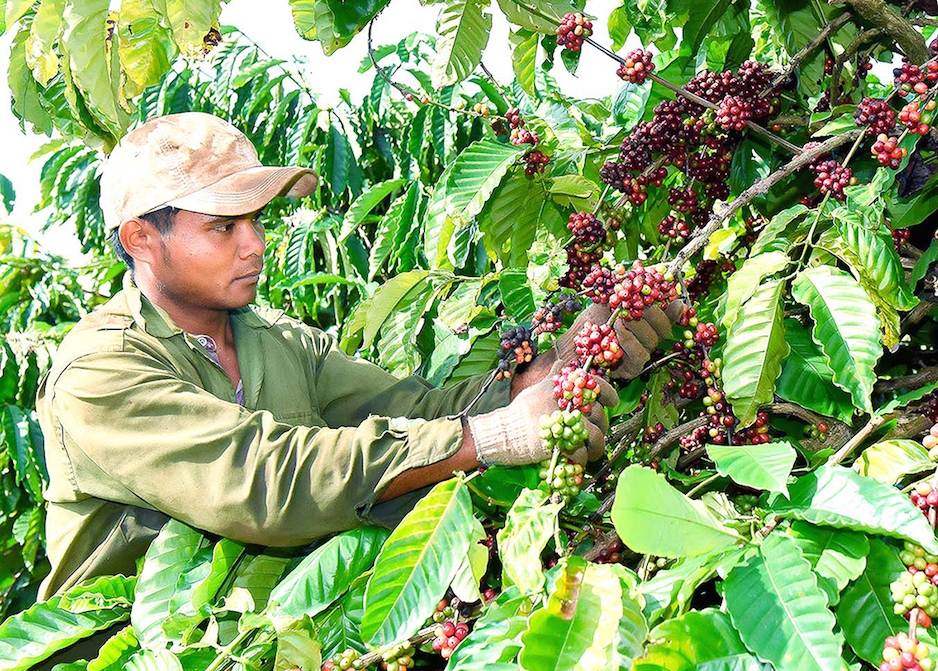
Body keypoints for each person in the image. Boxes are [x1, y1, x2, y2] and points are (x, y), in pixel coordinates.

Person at [34, 112, 679, 603]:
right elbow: (266, 482)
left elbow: (429, 412)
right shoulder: (101, 371)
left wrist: (567, 361)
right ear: (142, 238)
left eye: (258, 219)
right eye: (224, 227)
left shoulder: (280, 344)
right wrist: (499, 436)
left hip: (266, 644)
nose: (256, 245)